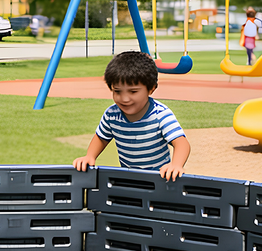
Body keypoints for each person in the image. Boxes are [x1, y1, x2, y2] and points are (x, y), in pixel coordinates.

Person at [72, 50, 190, 180]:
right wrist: (90, 156)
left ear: (151, 89)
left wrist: (175, 165)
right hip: (130, 179)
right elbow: (101, 137)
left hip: (160, 180)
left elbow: (181, 143)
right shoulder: (112, 115)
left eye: (133, 91)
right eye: (117, 91)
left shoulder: (160, 114)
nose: (125, 99)